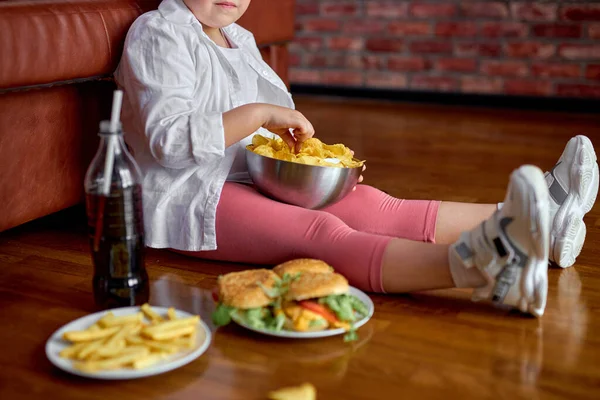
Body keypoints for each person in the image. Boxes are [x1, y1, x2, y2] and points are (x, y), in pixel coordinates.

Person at [114, 0, 599, 317]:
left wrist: (306, 159)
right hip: (190, 194)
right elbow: (170, 141)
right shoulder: (160, 33)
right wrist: (261, 111)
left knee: (372, 204)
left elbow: (262, 131)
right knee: (321, 236)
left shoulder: (238, 38)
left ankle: (543, 222)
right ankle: (485, 267)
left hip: (242, 176)